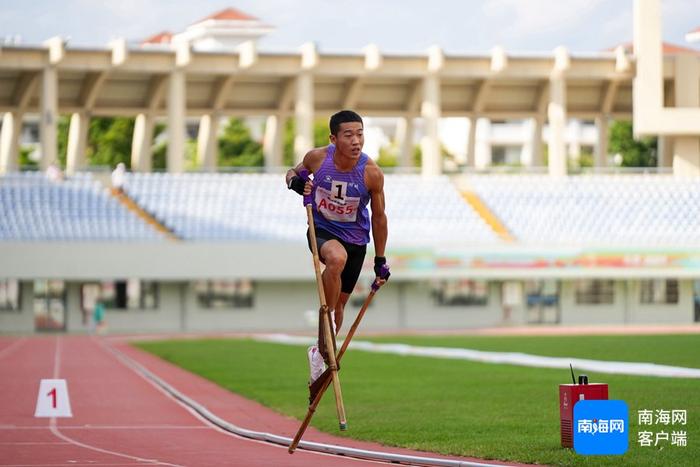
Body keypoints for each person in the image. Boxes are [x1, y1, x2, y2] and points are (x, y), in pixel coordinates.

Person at [285, 110, 390, 384]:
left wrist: (380, 259)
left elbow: (379, 218)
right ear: (334, 138)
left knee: (341, 304)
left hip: (356, 239)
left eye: (360, 134)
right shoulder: (317, 158)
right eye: (348, 135)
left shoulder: (371, 173)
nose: (356, 141)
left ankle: (319, 354)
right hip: (322, 230)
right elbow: (292, 173)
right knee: (335, 258)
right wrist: (295, 183)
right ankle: (327, 320)